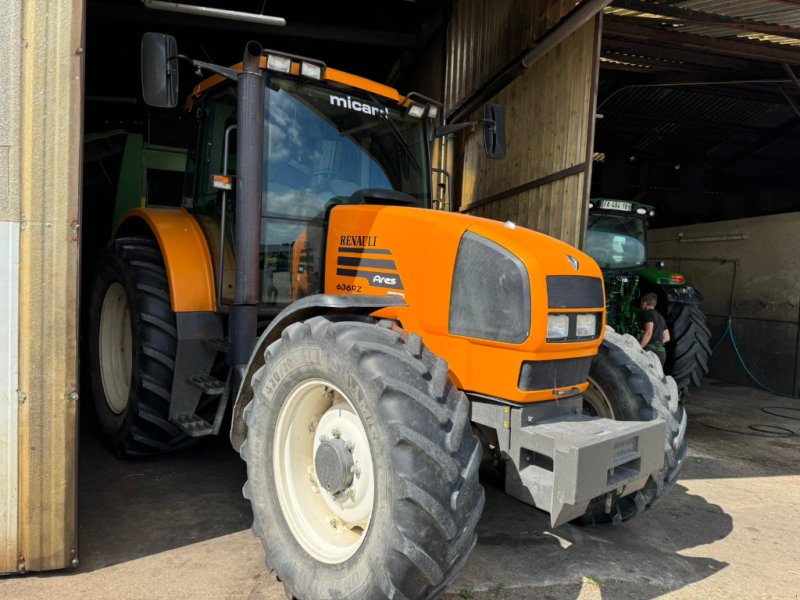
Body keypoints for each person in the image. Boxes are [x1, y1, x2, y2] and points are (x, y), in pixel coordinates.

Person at [639, 293, 670, 366]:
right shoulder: (661, 317)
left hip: (651, 353)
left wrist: (639, 348)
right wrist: (657, 343)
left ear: (645, 303)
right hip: (662, 354)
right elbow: (667, 337)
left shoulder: (648, 314)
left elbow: (648, 333)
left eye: (641, 302)